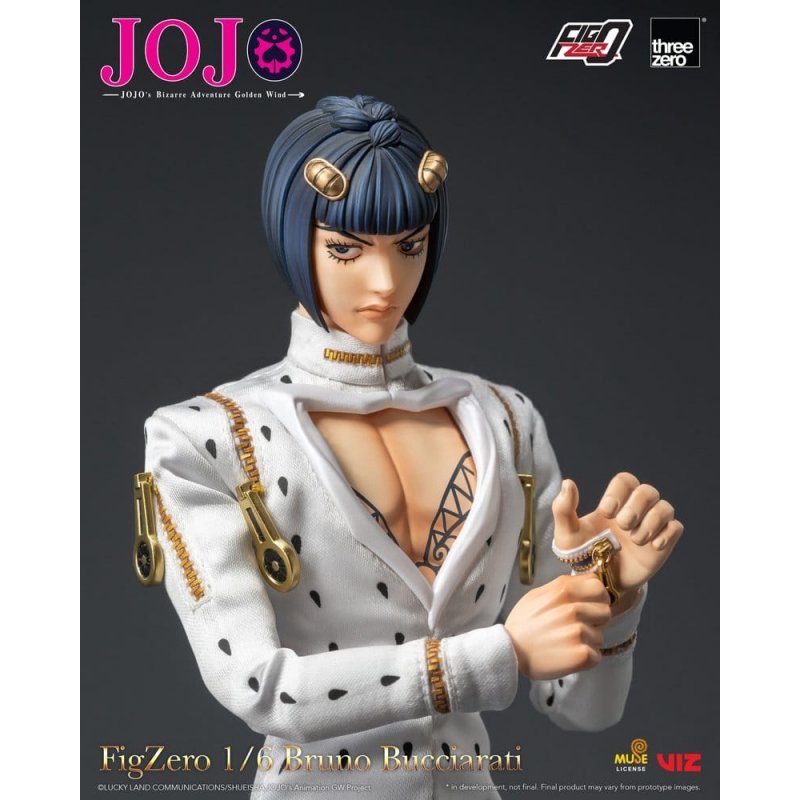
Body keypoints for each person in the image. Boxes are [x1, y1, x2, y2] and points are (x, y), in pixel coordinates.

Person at [138, 95, 683, 799]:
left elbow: (582, 710)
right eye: (346, 248)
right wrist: (497, 654)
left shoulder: (505, 420)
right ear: (292, 236)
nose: (385, 282)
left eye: (409, 246)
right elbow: (260, 688)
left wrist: (615, 594)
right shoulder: (209, 437)